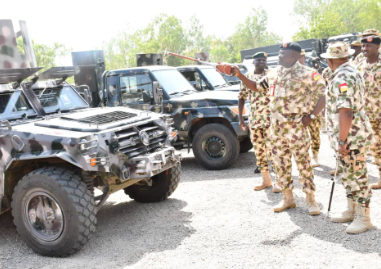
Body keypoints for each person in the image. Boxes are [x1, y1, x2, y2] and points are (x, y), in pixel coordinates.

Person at [234, 42, 326, 215]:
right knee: (281, 164)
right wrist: (240, 75)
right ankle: (288, 198)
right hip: (276, 129)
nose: (279, 56)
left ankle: (310, 199)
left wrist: (312, 116)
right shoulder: (273, 73)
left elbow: (323, 95)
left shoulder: (308, 74)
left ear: (293, 56)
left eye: (283, 54)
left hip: (296, 127)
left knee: (303, 164)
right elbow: (255, 87)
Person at [321, 41, 374, 234]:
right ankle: (352, 209)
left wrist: (342, 141)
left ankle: (364, 216)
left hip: (351, 137)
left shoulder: (342, 78)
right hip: (348, 135)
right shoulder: (350, 72)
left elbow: (346, 111)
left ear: (331, 60)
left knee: (357, 176)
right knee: (348, 174)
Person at [238, 52, 281, 193]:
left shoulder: (271, 75)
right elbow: (242, 97)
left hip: (270, 119)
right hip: (255, 120)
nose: (262, 61)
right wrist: (240, 117)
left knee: (274, 150)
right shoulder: (247, 77)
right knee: (259, 151)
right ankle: (266, 179)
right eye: (259, 59)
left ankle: (279, 181)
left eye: (264, 59)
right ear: (253, 61)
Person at [356, 35, 381, 189]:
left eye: (368, 46)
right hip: (367, 116)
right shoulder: (359, 66)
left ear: (377, 47)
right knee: (375, 148)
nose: (364, 49)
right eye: (363, 46)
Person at [299, 50, 321, 167]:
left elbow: (322, 90)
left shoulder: (312, 73)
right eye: (298, 57)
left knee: (315, 135)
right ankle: (305, 157)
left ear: (304, 58)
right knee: (301, 136)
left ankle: (315, 155)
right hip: (298, 112)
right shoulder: (291, 74)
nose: (299, 59)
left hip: (313, 110)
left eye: (301, 57)